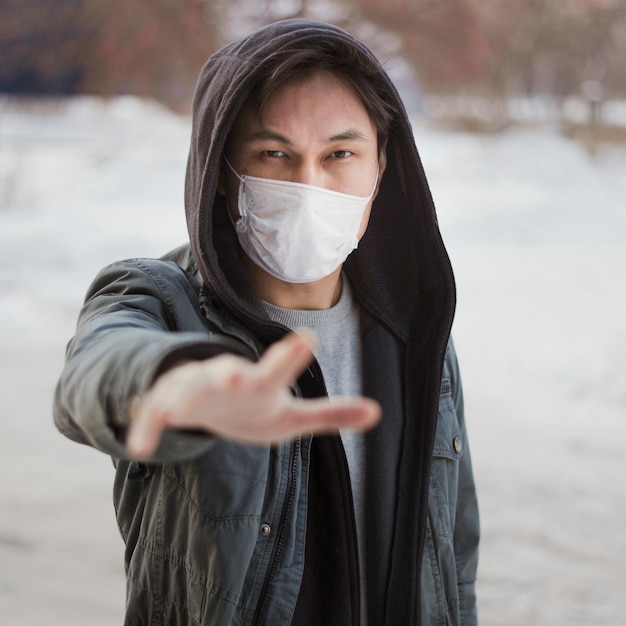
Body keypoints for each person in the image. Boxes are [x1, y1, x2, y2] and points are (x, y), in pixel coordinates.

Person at [53, 18, 479, 626]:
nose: (310, 184)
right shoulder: (161, 300)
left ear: (380, 169)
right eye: (274, 154)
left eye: (340, 154)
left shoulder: (416, 332)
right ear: (223, 172)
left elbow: (452, 562)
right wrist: (173, 383)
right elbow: (93, 374)